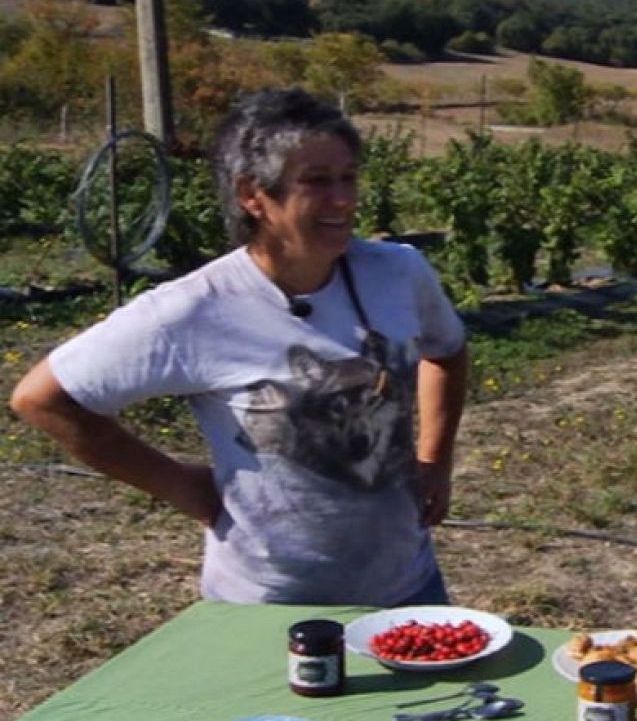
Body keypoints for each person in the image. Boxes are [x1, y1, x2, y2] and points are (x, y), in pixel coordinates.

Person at [9, 88, 470, 607]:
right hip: (268, 605)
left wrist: (435, 460)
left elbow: (446, 351)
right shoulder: (195, 309)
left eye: (348, 177)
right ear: (253, 195)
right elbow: (42, 398)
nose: (343, 199)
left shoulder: (398, 272)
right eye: (317, 181)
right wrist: (182, 486)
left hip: (407, 588)